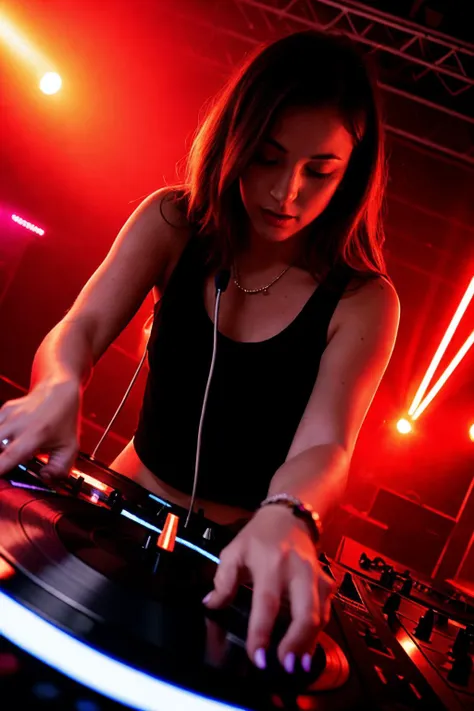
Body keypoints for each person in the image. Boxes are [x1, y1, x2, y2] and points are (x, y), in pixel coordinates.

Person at [0, 29, 399, 675]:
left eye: (319, 172)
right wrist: (57, 384)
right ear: (235, 141)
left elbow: (328, 443)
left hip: (245, 552)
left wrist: (289, 511)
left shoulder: (365, 299)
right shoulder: (170, 221)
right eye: (267, 158)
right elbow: (79, 328)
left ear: (350, 175)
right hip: (119, 506)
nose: (287, 192)